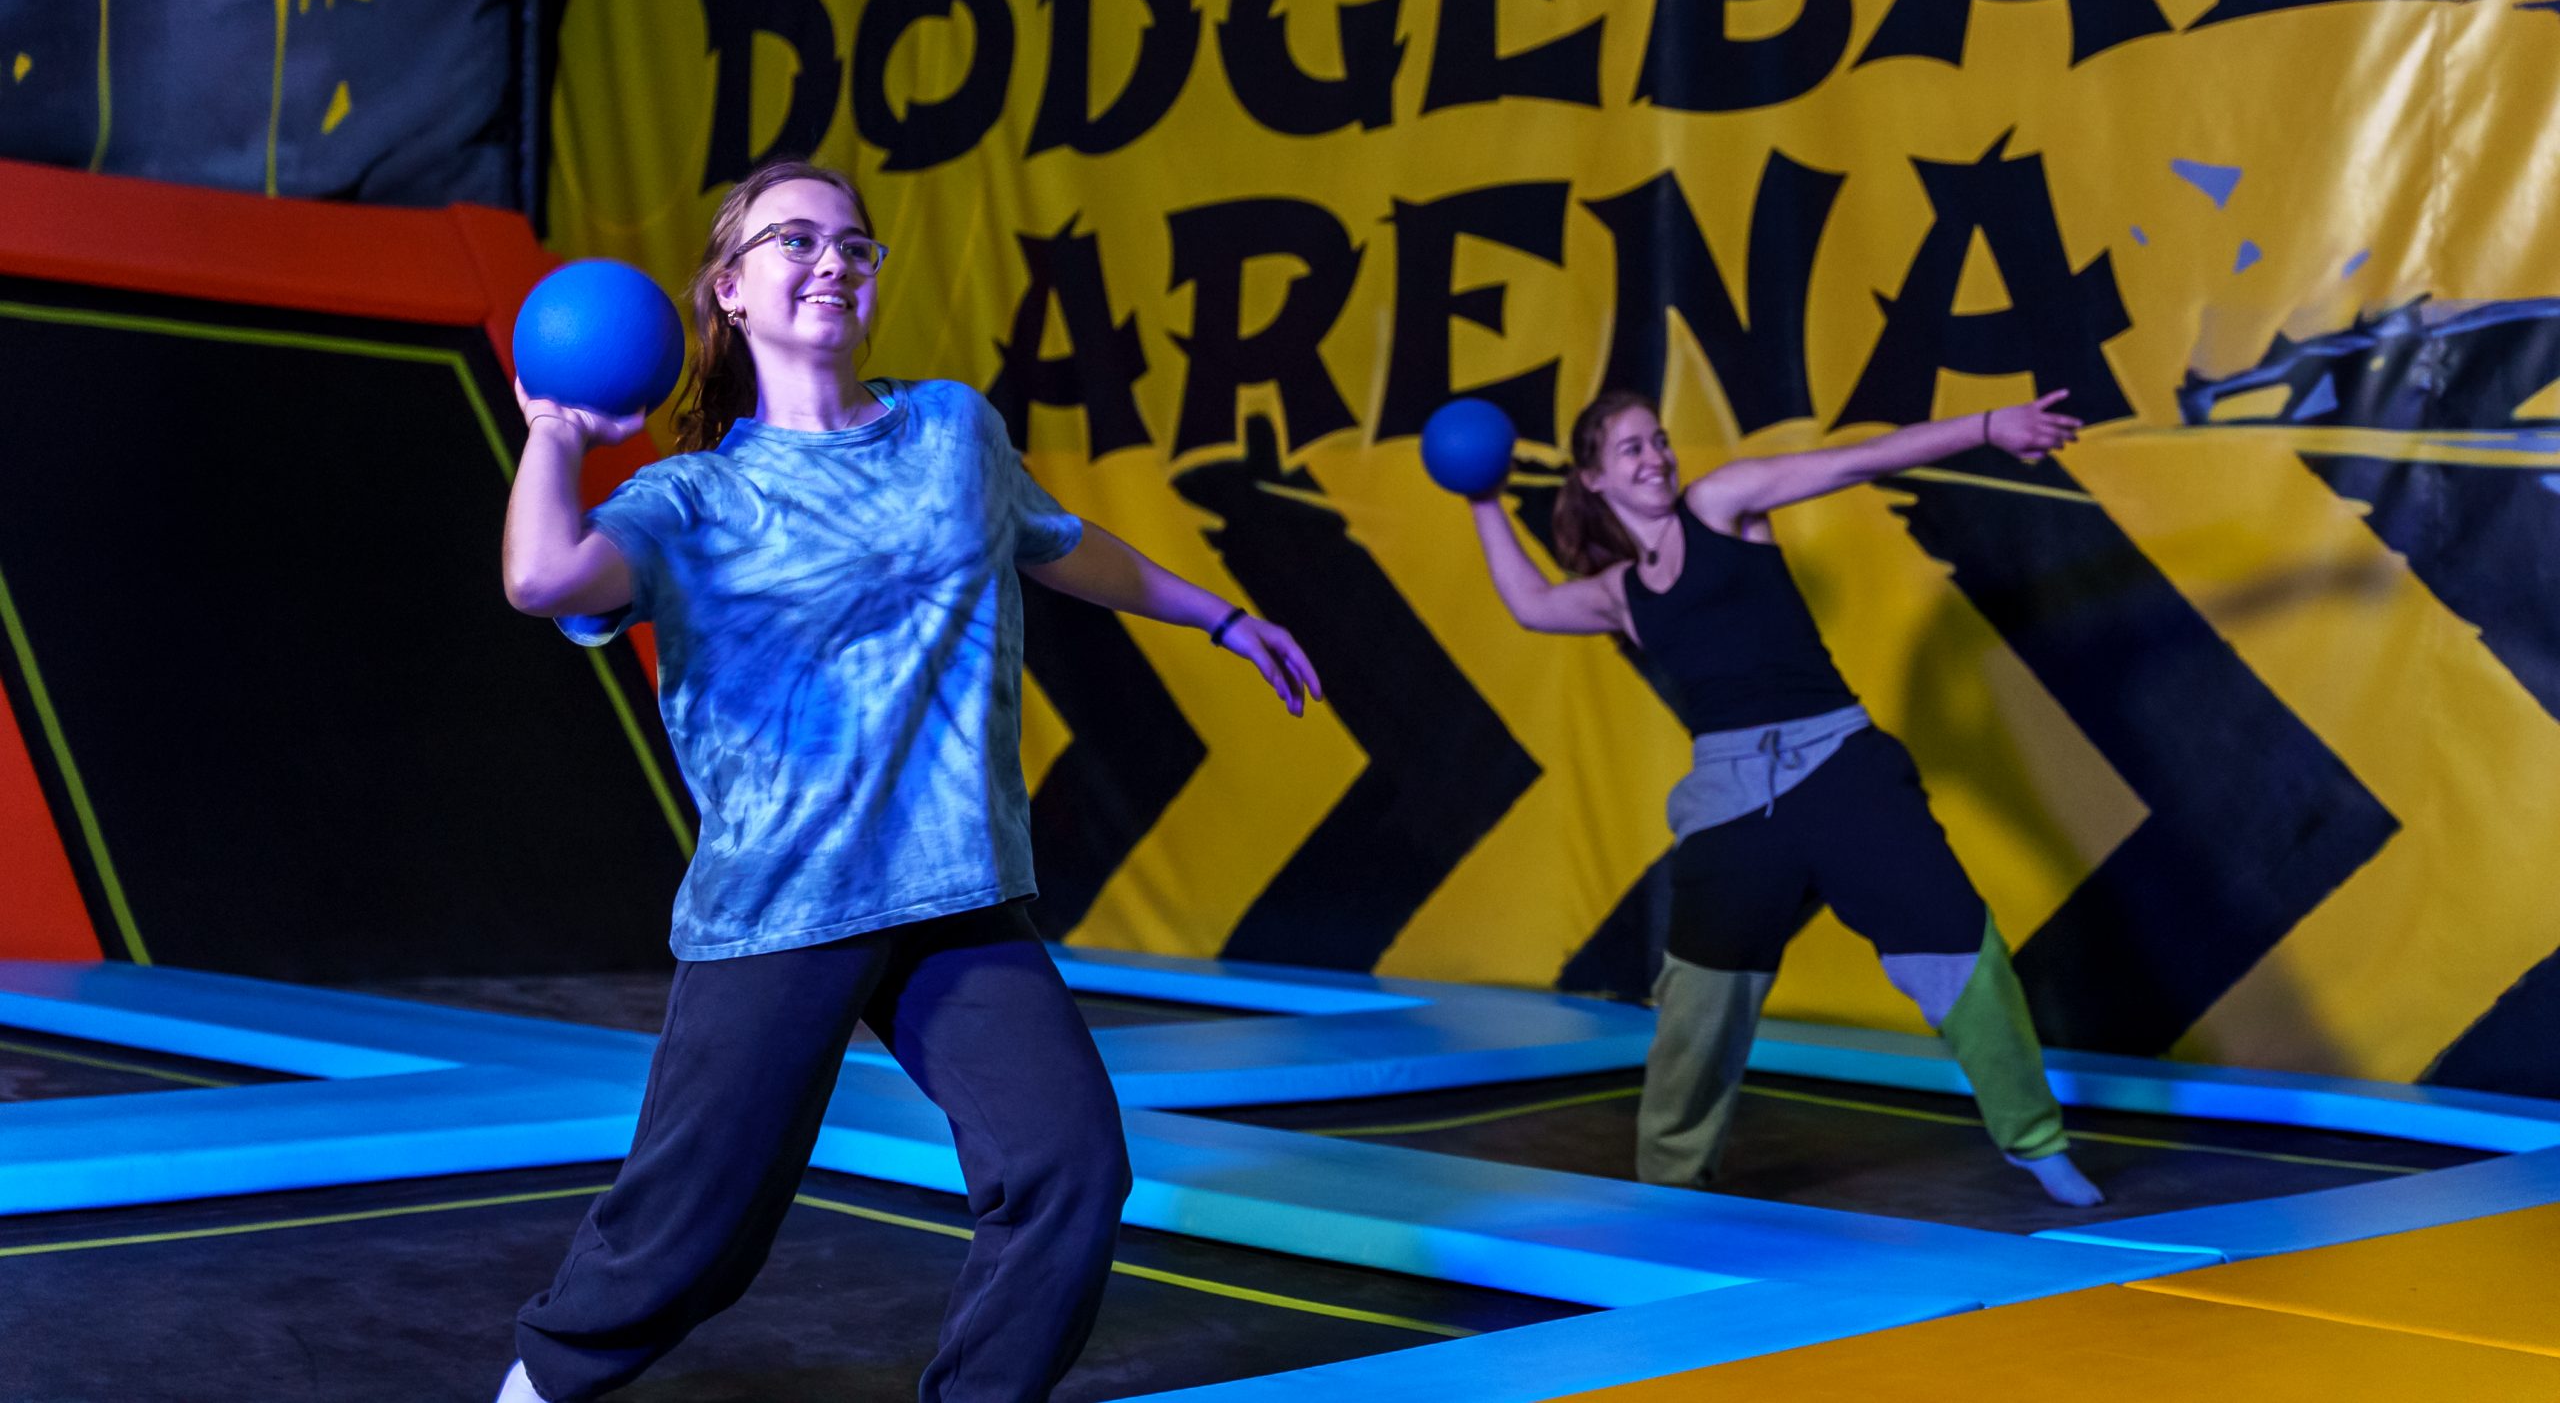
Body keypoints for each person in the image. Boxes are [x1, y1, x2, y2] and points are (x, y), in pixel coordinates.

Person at [492, 158, 1322, 1403]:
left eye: (853, 243)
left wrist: (1218, 616)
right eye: (793, 241)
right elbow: (543, 580)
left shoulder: (953, 429)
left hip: (955, 892)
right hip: (783, 905)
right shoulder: (695, 499)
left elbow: (1058, 543)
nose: (832, 259)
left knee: (1069, 1168)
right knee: (690, 1240)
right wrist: (555, 438)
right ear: (729, 290)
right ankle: (533, 1390)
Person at [1464, 389, 2101, 1207]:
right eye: (1630, 449)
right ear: (1592, 478)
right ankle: (1671, 1185)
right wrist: (1482, 499)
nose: (1656, 456)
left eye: (1659, 439)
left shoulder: (1721, 503)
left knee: (1961, 950)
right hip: (1731, 801)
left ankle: (2037, 1142)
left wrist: (1987, 428)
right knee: (1697, 1008)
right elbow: (1530, 605)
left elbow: (1857, 461)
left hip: (1839, 763)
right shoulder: (1620, 592)